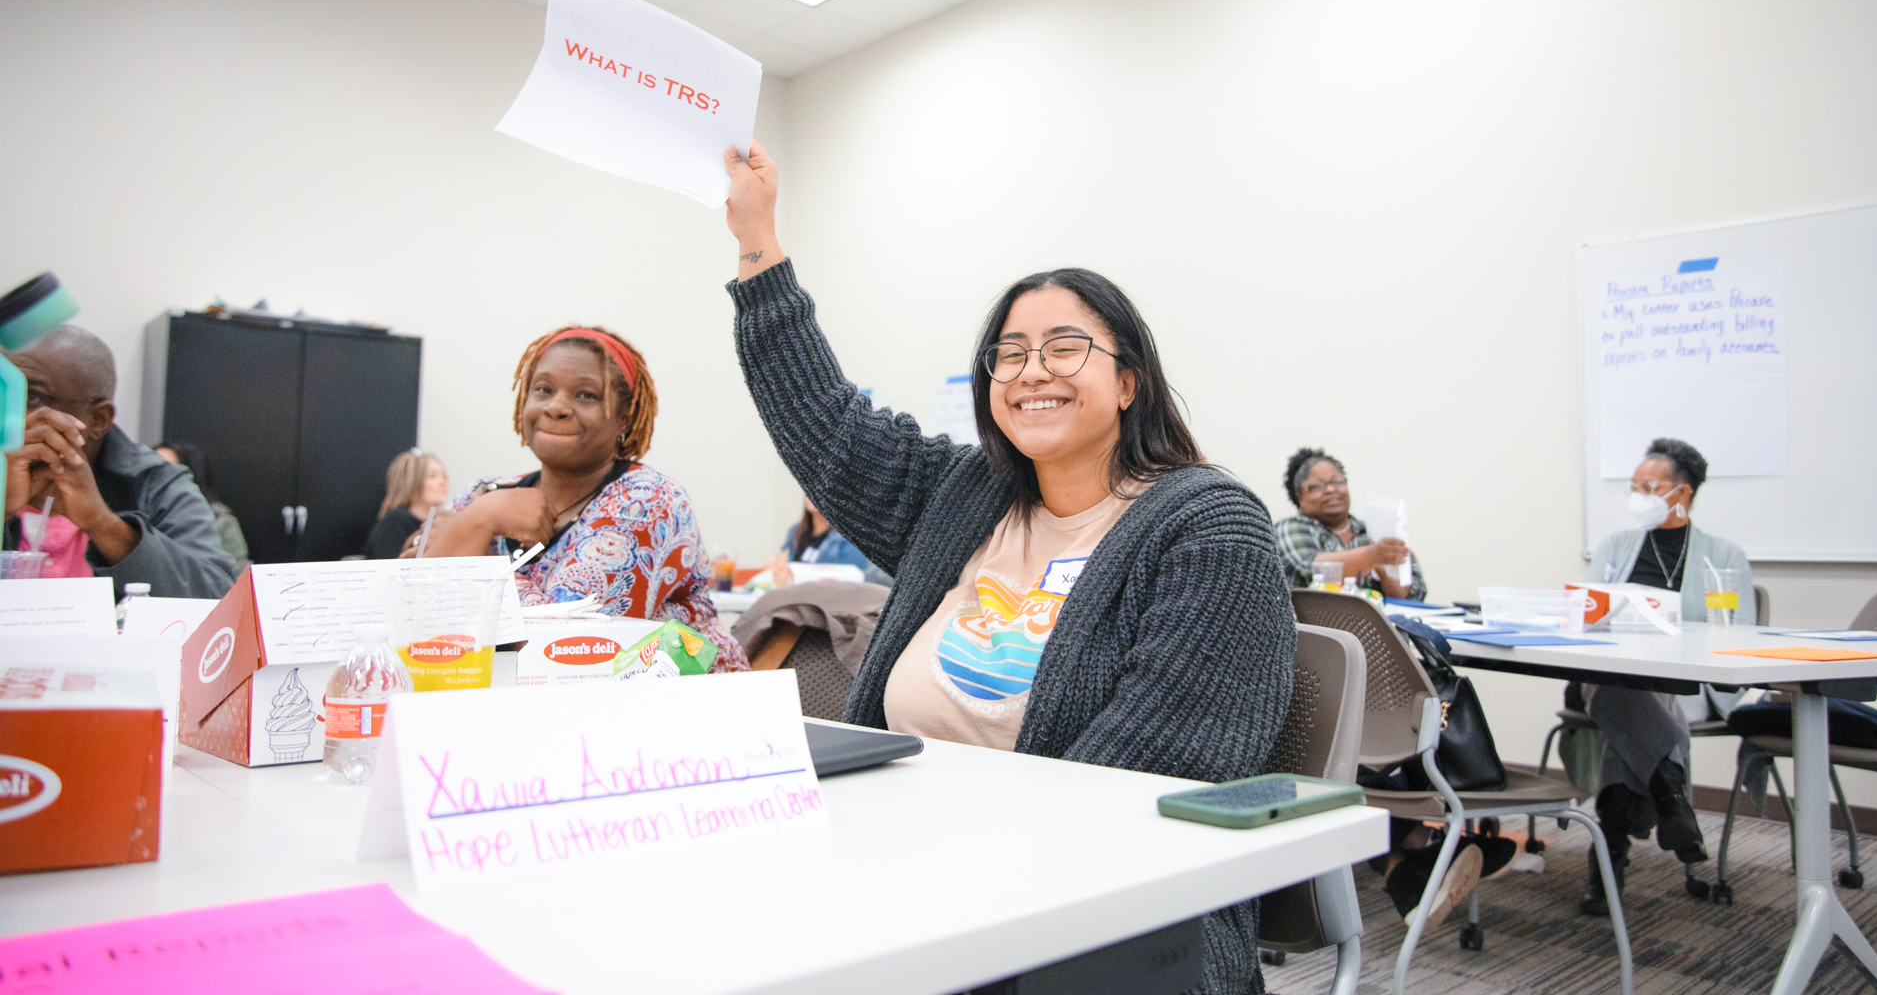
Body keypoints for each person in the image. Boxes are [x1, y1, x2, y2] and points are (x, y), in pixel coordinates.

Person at [723, 140, 1291, 995]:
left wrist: (921, 868)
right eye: (1011, 354)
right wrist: (758, 244)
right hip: (909, 869)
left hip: (1106, 917)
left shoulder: (1210, 531)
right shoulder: (967, 495)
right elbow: (827, 424)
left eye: (1065, 348)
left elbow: (1132, 789)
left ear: (1130, 382)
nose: (1033, 372)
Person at [418, 325, 747, 672]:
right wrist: (475, 529)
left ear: (625, 416)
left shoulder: (648, 501)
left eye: (585, 395)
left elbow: (567, 649)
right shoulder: (484, 493)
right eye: (543, 389)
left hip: (687, 711)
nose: (556, 407)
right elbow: (416, 614)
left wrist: (473, 530)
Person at [1576, 437, 1752, 915]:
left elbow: (1739, 636)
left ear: (1683, 494)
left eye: (1649, 487)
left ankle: (1607, 859)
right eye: (1634, 487)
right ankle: (1670, 794)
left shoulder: (1725, 556)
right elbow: (1587, 619)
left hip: (1686, 686)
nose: (1638, 496)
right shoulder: (1614, 547)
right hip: (1612, 676)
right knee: (1623, 684)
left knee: (1641, 701)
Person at [1, 326, 235, 597]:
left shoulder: (154, 482)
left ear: (98, 419)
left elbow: (217, 599)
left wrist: (102, 523)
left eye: (32, 396)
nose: (10, 414)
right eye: (5, 393)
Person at [1274, 447, 1426, 599]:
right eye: (1318, 486)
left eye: (1338, 481)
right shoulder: (1289, 528)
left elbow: (1414, 596)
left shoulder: (1371, 532)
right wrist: (1372, 556)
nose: (1331, 489)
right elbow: (1311, 572)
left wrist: (1385, 569)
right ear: (1299, 496)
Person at [155, 439, 250, 570]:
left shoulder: (221, 521)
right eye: (152, 470)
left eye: (166, 471)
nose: (157, 479)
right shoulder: (133, 517)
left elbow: (240, 575)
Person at [362, 449, 446, 560]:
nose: (443, 482)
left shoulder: (442, 523)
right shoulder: (394, 525)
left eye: (445, 476)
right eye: (432, 476)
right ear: (410, 482)